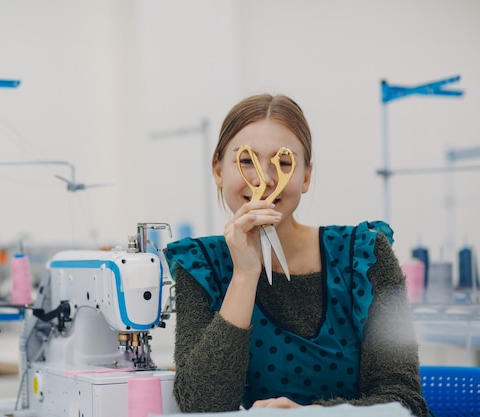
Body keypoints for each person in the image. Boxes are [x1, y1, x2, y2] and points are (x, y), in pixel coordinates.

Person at [164, 93, 430, 416]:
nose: (265, 180)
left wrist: (311, 413)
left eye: (284, 163)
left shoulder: (366, 257)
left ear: (305, 177)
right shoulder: (201, 266)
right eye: (246, 161)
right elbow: (202, 405)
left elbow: (403, 400)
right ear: (218, 170)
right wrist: (244, 276)